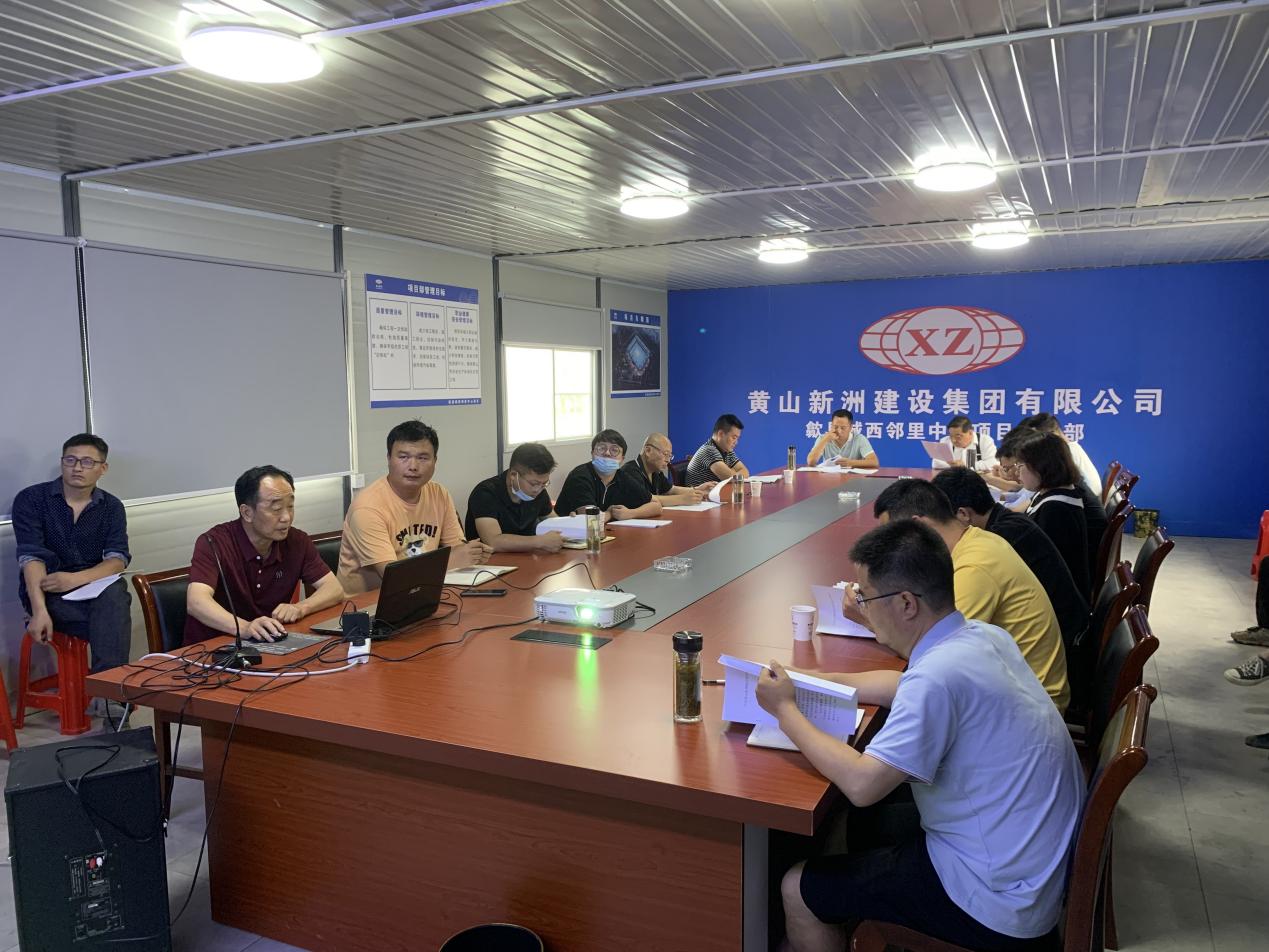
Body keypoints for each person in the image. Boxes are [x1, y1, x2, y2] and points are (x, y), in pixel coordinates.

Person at [756, 519, 1083, 952]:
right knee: (855, 830)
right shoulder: (983, 636)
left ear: (906, 603)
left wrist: (785, 711)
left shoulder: (938, 677)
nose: (861, 607)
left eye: (865, 597)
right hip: (1028, 858)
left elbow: (862, 785)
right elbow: (902, 685)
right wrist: (813, 680)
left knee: (798, 888)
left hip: (995, 897)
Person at [875, 479, 1070, 712]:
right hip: (1014, 688)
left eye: (892, 536)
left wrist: (873, 619)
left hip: (1030, 706)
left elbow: (935, 657)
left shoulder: (975, 566)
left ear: (918, 527)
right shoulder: (976, 539)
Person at [932, 467, 1094, 709]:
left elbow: (946, 647)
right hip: (1060, 649)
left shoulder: (996, 541)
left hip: (1050, 677)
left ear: (963, 514)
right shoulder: (1004, 525)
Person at [12, 433, 132, 677]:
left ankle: (107, 691)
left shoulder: (112, 507)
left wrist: (75, 579)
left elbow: (117, 559)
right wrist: (39, 611)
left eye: (87, 462)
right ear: (62, 462)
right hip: (48, 594)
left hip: (92, 590)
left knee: (115, 592)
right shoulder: (32, 499)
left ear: (102, 468)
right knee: (113, 618)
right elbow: (31, 557)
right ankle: (111, 693)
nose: (77, 468)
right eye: (70, 460)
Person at [185, 465, 345, 645]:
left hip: (268, 643)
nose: (286, 517)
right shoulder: (214, 543)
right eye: (276, 508)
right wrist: (245, 628)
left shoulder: (297, 541)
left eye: (290, 506)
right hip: (214, 648)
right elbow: (196, 602)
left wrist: (300, 608)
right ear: (247, 512)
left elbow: (334, 589)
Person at [338, 420, 492, 595]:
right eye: (403, 457)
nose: (413, 466)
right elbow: (394, 578)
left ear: (435, 461)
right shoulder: (367, 508)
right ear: (388, 459)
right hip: (368, 604)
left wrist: (472, 554)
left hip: (424, 591)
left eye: (422, 458)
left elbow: (458, 550)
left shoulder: (439, 494)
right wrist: (452, 561)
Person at [1015, 433, 1094, 600]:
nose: (1017, 473)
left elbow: (1043, 566)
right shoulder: (1052, 493)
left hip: (1058, 603)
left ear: (1040, 467)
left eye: (1020, 465)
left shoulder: (1056, 510)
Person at [464, 442, 563, 553]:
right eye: (533, 483)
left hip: (526, 557)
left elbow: (554, 523)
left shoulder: (538, 491)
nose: (538, 489)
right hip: (489, 560)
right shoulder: (485, 493)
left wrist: (570, 523)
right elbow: (493, 542)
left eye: (544, 483)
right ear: (513, 475)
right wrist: (539, 541)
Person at [554, 429, 664, 520]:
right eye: (601, 448)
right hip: (566, 535)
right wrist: (610, 514)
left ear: (622, 459)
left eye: (614, 450)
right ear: (592, 453)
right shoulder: (580, 476)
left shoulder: (622, 477)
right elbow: (591, 519)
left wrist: (631, 513)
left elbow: (656, 506)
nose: (607, 453)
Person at [622, 433, 715, 507]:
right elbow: (647, 499)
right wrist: (682, 499)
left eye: (670, 456)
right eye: (665, 454)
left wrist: (697, 489)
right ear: (648, 451)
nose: (668, 460)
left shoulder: (655, 472)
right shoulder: (629, 471)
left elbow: (671, 489)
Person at [1020, 413, 1101, 497]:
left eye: (1037, 439)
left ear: (1052, 434)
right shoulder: (1069, 448)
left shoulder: (1066, 452)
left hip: (1083, 501)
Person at [686, 414, 749, 486]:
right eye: (734, 438)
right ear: (721, 434)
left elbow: (745, 472)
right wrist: (733, 472)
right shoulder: (709, 450)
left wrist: (733, 474)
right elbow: (730, 479)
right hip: (701, 493)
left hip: (716, 491)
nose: (736, 442)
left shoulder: (726, 450)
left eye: (737, 438)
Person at [806, 409, 879, 468]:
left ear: (850, 427)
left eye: (843, 428)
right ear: (831, 425)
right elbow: (811, 462)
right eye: (835, 427)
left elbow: (874, 462)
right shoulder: (823, 438)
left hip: (854, 479)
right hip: (829, 478)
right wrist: (825, 439)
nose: (839, 431)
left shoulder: (859, 439)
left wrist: (851, 463)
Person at [931, 415, 996, 471]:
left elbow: (993, 463)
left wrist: (965, 465)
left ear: (970, 433)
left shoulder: (985, 441)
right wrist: (957, 465)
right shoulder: (945, 441)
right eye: (951, 436)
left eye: (958, 436)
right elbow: (936, 463)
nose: (953, 440)